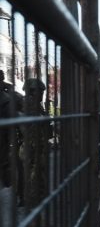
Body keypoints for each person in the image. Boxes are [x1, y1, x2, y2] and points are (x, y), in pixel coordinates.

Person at [19, 78, 49, 208]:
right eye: (40, 91)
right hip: (32, 148)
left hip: (35, 147)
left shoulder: (35, 105)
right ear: (32, 91)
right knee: (34, 181)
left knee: (37, 179)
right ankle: (33, 209)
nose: (42, 94)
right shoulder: (29, 105)